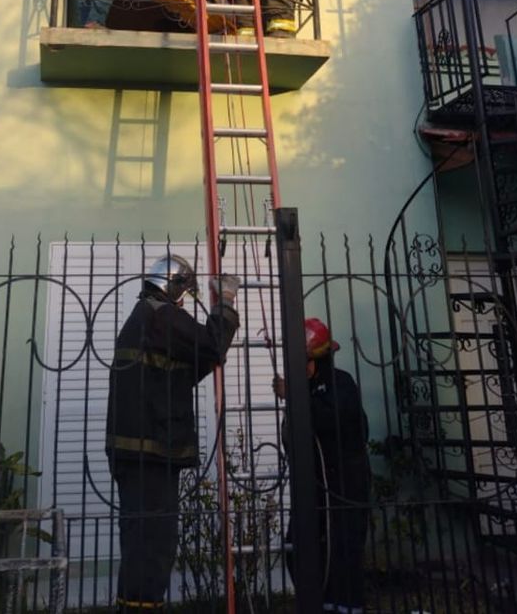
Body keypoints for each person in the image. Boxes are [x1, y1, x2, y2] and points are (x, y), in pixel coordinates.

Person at [106, 256, 240, 612]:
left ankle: (134, 604)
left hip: (140, 453)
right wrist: (225, 302)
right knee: (154, 543)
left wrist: (210, 354)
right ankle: (143, 606)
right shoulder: (161, 316)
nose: (184, 303)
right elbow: (210, 345)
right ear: (175, 287)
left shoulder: (144, 318)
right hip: (152, 452)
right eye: (184, 294)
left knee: (140, 542)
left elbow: (180, 370)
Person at [273, 317, 372, 614]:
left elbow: (335, 420)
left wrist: (294, 395)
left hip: (345, 484)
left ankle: (346, 608)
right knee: (299, 547)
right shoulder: (307, 387)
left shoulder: (340, 384)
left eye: (303, 360)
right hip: (315, 485)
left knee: (344, 549)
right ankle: (318, 603)